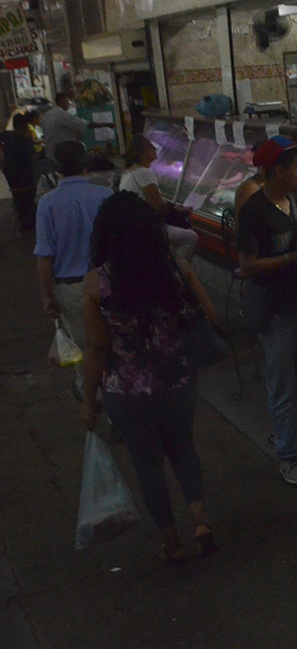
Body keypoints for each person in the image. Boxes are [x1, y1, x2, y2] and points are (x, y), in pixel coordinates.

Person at [79, 192, 219, 563]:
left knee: (147, 462)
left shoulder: (97, 283)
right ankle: (201, 522)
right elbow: (209, 311)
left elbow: (96, 347)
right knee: (183, 449)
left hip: (125, 390)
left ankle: (171, 542)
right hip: (176, 380)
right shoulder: (175, 267)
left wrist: (87, 398)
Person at [236, 135, 297, 485]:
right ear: (278, 171)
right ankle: (288, 455)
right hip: (276, 311)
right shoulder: (254, 212)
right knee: (283, 385)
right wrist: (293, 257)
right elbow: (248, 266)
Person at [34, 141, 113, 395]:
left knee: (85, 346)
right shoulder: (105, 195)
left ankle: (91, 394)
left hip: (71, 289)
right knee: (113, 342)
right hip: (108, 281)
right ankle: (116, 397)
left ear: (57, 169)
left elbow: (45, 257)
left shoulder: (48, 203)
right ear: (86, 166)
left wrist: (47, 296)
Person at [119, 134, 199, 261]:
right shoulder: (143, 173)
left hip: (133, 227)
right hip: (146, 229)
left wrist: (176, 208)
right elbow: (160, 206)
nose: (155, 149)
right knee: (191, 237)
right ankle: (178, 272)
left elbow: (153, 201)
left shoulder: (129, 172)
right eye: (151, 147)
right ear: (142, 154)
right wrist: (177, 211)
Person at [0, 111, 37, 232]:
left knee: (18, 198)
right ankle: (30, 223)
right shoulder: (24, 140)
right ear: (24, 126)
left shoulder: (6, 135)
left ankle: (23, 223)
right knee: (28, 197)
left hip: (9, 171)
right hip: (23, 172)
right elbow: (32, 157)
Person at [39, 92, 93, 156]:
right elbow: (83, 124)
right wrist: (105, 125)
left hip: (50, 152)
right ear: (63, 101)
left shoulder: (47, 115)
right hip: (64, 153)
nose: (69, 104)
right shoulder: (62, 114)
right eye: (68, 102)